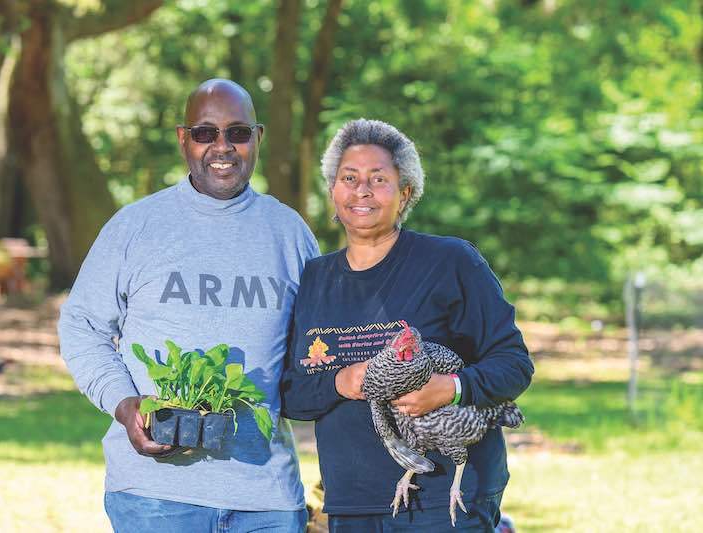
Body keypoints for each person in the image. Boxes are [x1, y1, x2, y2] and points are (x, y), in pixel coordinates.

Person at [58, 79, 319, 533]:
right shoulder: (136, 226)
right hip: (154, 498)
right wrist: (125, 405)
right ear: (184, 139)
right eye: (205, 133)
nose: (223, 147)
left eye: (237, 133)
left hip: (267, 499)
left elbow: (320, 348)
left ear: (258, 137)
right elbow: (82, 327)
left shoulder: (289, 233)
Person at [281, 119, 533, 532]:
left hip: (446, 501)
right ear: (332, 190)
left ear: (405, 193)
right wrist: (342, 381)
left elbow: (514, 364)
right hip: (350, 501)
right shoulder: (313, 279)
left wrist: (451, 389)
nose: (362, 189)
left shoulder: (451, 262)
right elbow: (291, 394)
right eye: (349, 177)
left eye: (378, 179)